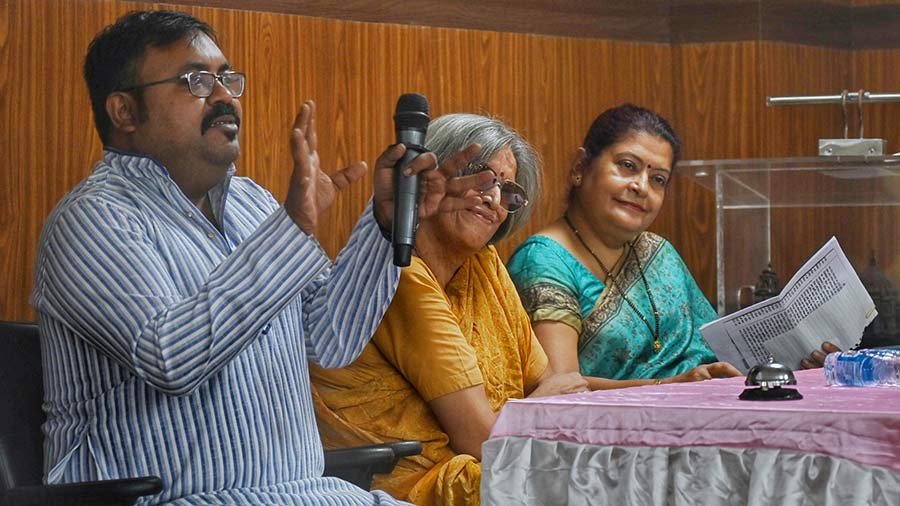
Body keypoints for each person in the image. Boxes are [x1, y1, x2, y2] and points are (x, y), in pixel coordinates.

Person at [30, 10, 492, 505]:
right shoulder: (93, 218)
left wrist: (382, 225)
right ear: (124, 112)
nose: (226, 96)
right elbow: (170, 357)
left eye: (228, 79)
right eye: (197, 81)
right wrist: (291, 231)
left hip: (304, 493)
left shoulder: (254, 204)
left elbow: (329, 340)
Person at [310, 113, 588, 505]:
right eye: (480, 178)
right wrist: (542, 403)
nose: (493, 198)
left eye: (507, 190)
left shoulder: (483, 265)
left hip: (481, 465)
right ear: (430, 179)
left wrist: (670, 387)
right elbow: (483, 439)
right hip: (413, 486)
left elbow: (558, 382)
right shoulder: (399, 271)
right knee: (590, 479)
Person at [507, 104, 743, 389]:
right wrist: (670, 386)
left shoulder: (658, 253)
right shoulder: (543, 261)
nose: (642, 187)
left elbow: (723, 351)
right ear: (581, 167)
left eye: (658, 179)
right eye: (627, 165)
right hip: (606, 428)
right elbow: (562, 388)